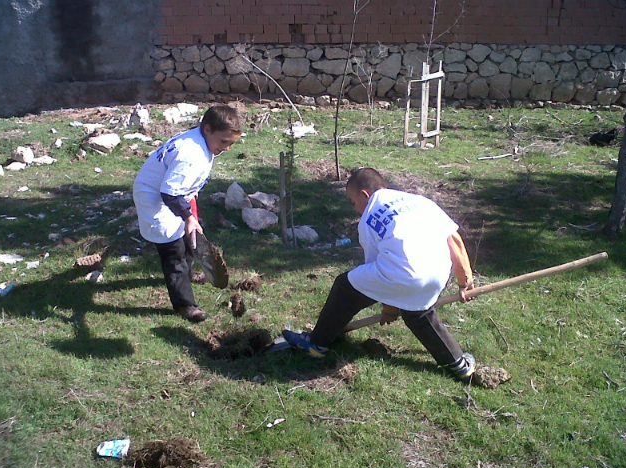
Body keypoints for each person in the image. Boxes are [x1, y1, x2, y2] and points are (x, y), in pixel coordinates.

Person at [283, 167, 477, 381]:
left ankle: (317, 343)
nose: (356, 209)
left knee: (345, 286)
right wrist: (464, 281)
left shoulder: (368, 219)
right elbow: (454, 240)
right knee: (417, 312)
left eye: (353, 202)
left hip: (405, 275)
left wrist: (390, 309)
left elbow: (381, 277)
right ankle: (459, 364)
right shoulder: (419, 201)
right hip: (439, 271)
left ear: (365, 195)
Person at [133, 105, 243, 322]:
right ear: (208, 129)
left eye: (231, 143)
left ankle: (189, 273)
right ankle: (185, 305)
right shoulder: (190, 154)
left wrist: (190, 214)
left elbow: (177, 189)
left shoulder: (202, 140)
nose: (227, 148)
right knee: (173, 255)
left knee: (189, 237)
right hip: (155, 200)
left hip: (173, 195)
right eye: (224, 142)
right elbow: (169, 194)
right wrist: (188, 216)